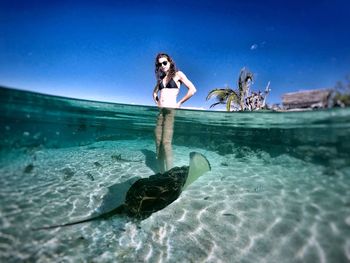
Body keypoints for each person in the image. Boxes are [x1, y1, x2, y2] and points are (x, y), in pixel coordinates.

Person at [152, 53, 196, 172]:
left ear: (170, 62)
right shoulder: (161, 79)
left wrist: (180, 103)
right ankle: (161, 172)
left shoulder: (178, 74)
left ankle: (170, 174)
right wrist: (158, 103)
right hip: (160, 113)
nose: (162, 65)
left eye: (164, 62)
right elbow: (154, 93)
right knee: (158, 142)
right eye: (160, 64)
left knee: (166, 143)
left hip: (171, 111)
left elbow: (193, 90)